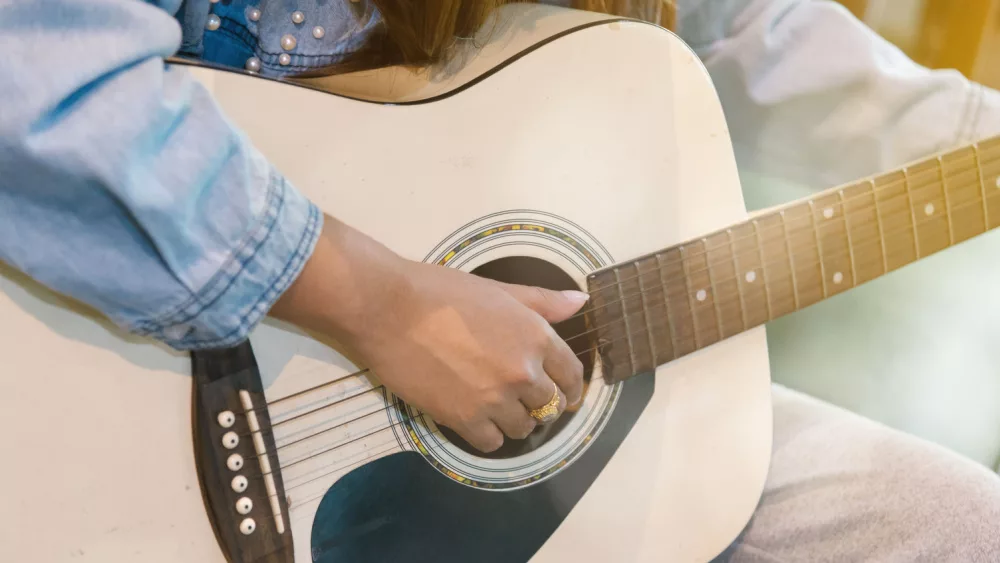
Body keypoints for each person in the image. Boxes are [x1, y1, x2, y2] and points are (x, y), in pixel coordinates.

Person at [2, 0, 1000, 560]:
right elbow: (36, 79)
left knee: (956, 528)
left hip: (574, 417)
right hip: (149, 389)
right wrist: (384, 306)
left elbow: (745, 34)